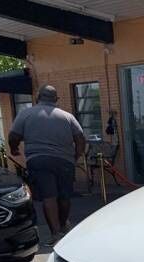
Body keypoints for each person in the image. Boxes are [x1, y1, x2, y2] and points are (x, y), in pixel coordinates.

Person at [8, 84, 86, 246]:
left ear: (38, 98)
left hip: (38, 160)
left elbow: (14, 135)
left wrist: (14, 148)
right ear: (56, 99)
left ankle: (56, 233)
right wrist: (76, 156)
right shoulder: (67, 116)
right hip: (65, 160)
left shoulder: (26, 114)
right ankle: (64, 225)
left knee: (48, 197)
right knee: (64, 196)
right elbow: (80, 139)